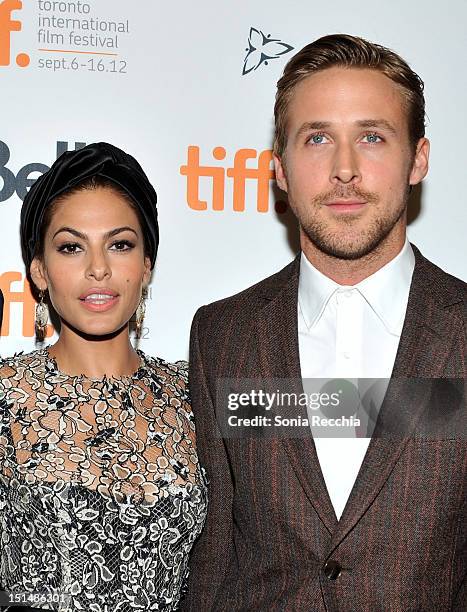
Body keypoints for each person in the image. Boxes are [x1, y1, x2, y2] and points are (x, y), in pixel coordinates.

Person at [181, 35, 466, 611]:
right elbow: (216, 557)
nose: (344, 170)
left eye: (371, 137)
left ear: (418, 160)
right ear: (279, 169)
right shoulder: (224, 336)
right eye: (317, 138)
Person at [0, 143, 207, 612]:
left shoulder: (195, 392)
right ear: (39, 271)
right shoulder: (6, 395)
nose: (98, 268)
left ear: (146, 265)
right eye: (71, 247)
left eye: (120, 244)